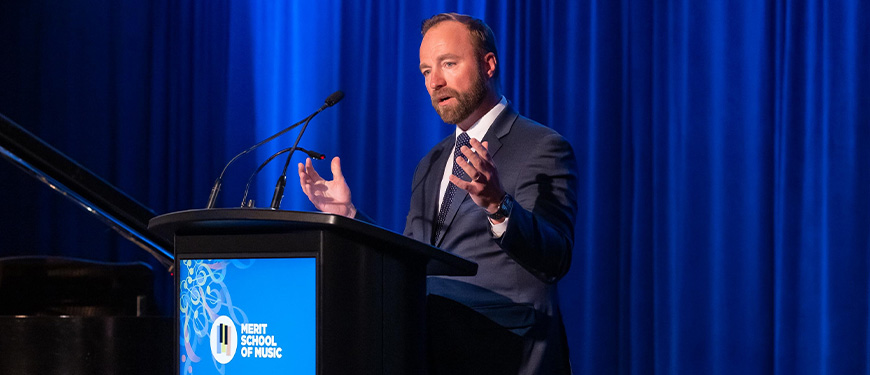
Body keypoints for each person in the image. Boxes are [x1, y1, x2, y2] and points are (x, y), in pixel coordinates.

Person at [298, 12, 578, 375]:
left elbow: (556, 258)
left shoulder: (542, 146)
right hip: (434, 353)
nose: (435, 82)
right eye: (426, 71)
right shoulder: (432, 161)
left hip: (508, 355)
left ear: (488, 64)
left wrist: (498, 205)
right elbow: (413, 257)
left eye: (449, 64)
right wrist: (350, 216)